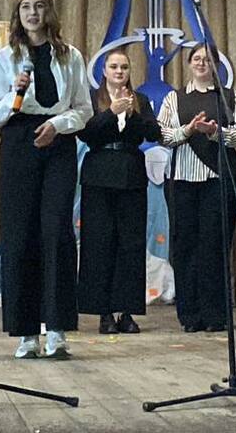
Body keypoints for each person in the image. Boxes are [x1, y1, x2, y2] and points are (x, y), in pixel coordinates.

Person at [0, 0, 92, 359]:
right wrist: (13, 94)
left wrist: (58, 126)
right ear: (18, 14)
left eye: (39, 6)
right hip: (19, 143)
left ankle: (57, 330)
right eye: (26, 7)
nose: (32, 13)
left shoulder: (70, 56)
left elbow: (84, 109)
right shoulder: (5, 58)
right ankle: (26, 333)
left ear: (50, 12)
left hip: (57, 144)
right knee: (20, 234)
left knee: (56, 232)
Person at [158, 43, 236, 333]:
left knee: (214, 247)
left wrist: (214, 132)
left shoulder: (228, 96)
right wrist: (188, 130)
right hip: (181, 181)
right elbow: (162, 134)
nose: (201, 63)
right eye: (196, 58)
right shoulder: (174, 97)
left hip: (217, 180)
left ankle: (215, 314)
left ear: (216, 65)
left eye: (207, 59)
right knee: (185, 247)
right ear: (189, 63)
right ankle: (190, 314)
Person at [77, 48, 161, 334]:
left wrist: (132, 113)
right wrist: (111, 113)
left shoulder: (141, 99)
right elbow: (85, 132)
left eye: (124, 67)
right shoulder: (92, 98)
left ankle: (127, 311)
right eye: (113, 66)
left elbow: (153, 133)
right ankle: (103, 312)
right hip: (99, 174)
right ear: (104, 71)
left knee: (131, 244)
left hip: (131, 175)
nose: (119, 71)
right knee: (99, 243)